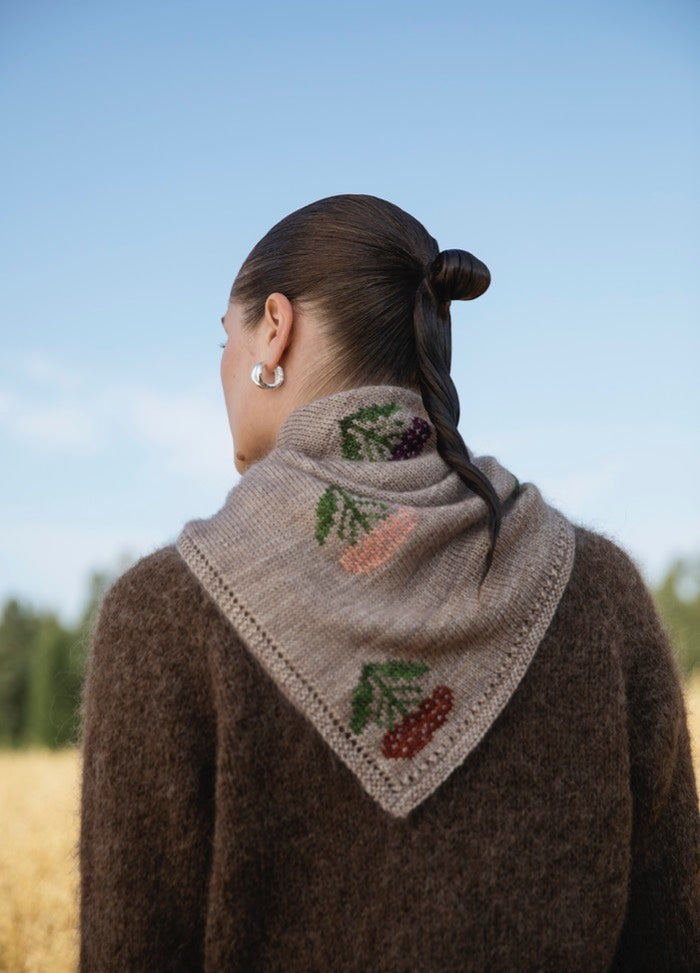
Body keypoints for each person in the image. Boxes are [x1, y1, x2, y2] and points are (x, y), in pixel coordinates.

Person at [78, 193, 700, 971]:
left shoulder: (163, 617)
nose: (223, 367)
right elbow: (674, 938)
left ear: (276, 326)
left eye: (224, 338)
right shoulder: (601, 593)